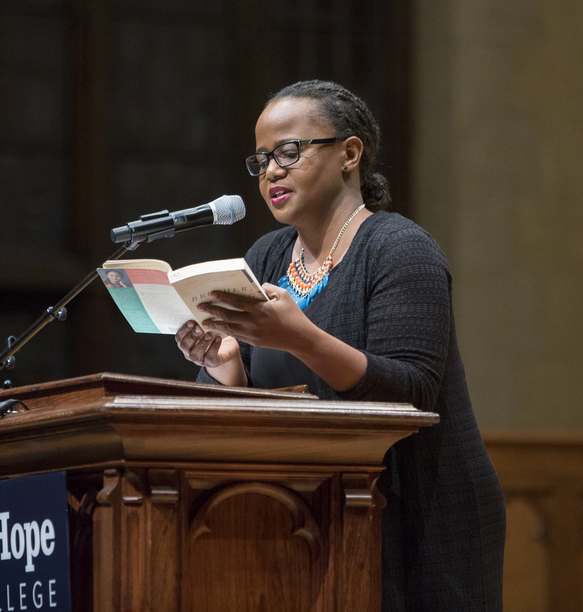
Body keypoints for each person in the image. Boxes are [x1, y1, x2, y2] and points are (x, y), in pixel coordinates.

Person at [175, 79, 506, 611]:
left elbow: (413, 395)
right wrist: (225, 369)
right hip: (303, 512)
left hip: (419, 515)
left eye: (289, 151)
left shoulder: (400, 249)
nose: (272, 172)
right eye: (261, 161)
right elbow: (252, 415)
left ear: (350, 153)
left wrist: (299, 338)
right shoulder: (265, 256)